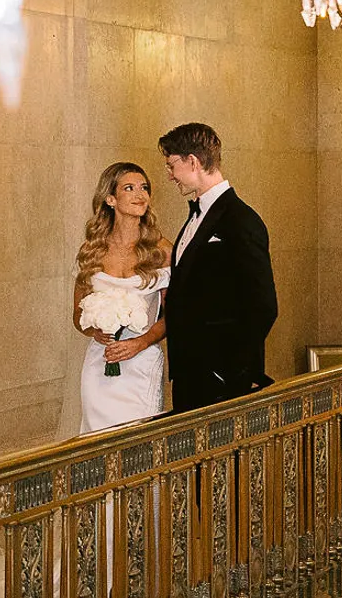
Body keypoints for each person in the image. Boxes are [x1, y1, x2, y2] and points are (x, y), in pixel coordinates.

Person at [158, 121, 277, 410]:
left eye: (172, 165)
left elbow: (263, 306)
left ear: (193, 162)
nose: (170, 175)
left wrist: (230, 374)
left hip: (221, 382)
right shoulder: (196, 216)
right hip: (189, 375)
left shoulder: (242, 220)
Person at [70, 162, 171, 433]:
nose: (140, 194)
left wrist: (140, 343)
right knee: (97, 438)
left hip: (142, 363)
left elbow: (173, 315)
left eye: (144, 188)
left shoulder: (161, 251)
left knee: (140, 440)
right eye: (129, 188)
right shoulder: (91, 250)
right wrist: (94, 331)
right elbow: (77, 316)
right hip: (100, 364)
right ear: (110, 199)